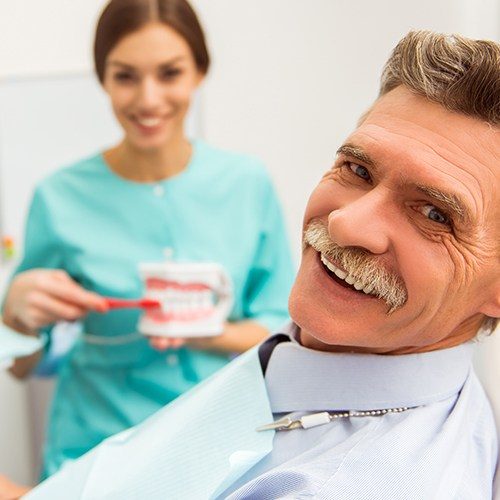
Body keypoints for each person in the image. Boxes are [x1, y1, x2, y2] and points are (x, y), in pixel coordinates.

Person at [12, 29, 500, 499]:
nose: (347, 224)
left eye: (435, 214)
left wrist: (209, 332)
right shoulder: (308, 357)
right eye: (357, 169)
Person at [1, 0, 293, 480]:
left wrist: (206, 330)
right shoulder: (59, 197)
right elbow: (23, 367)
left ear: (200, 71)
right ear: (103, 79)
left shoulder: (246, 183)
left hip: (219, 451)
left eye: (170, 73)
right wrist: (15, 316)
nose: (148, 99)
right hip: (92, 457)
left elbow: (282, 334)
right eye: (126, 77)